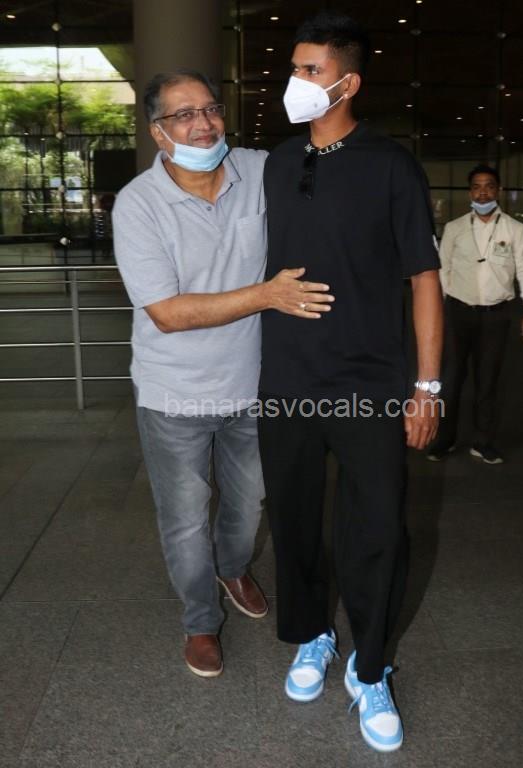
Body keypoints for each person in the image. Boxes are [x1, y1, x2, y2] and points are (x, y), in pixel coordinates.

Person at [258, 13, 443, 753]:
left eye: (310, 70)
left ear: (348, 82)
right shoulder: (277, 162)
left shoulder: (391, 165)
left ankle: (370, 666)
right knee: (294, 518)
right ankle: (312, 635)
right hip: (286, 377)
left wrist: (426, 388)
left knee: (378, 528)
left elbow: (423, 278)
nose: (295, 81)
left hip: (369, 379)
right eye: (294, 67)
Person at [112, 69, 334, 679]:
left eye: (210, 109)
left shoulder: (256, 170)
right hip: (173, 393)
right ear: (158, 132)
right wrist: (267, 295)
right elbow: (167, 313)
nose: (203, 124)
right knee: (186, 519)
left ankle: (233, 568)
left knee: (249, 500)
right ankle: (200, 621)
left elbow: (328, 169)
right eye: (183, 115)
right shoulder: (138, 205)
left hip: (254, 384)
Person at [427, 164, 523, 465]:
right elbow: (442, 270)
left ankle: (483, 441)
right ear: (470, 193)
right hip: (458, 313)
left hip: (496, 316)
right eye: (477, 187)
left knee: (487, 381)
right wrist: (443, 306)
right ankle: (444, 439)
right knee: (451, 379)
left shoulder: (514, 229)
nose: (483, 192)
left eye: (489, 186)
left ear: (498, 190)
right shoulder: (455, 228)